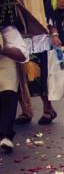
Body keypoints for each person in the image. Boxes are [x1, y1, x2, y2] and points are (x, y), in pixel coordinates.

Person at [0, 19, 30, 153]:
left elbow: (23, 55)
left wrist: (3, 49)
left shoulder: (8, 30)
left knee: (8, 95)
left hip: (6, 66)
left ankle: (6, 135)